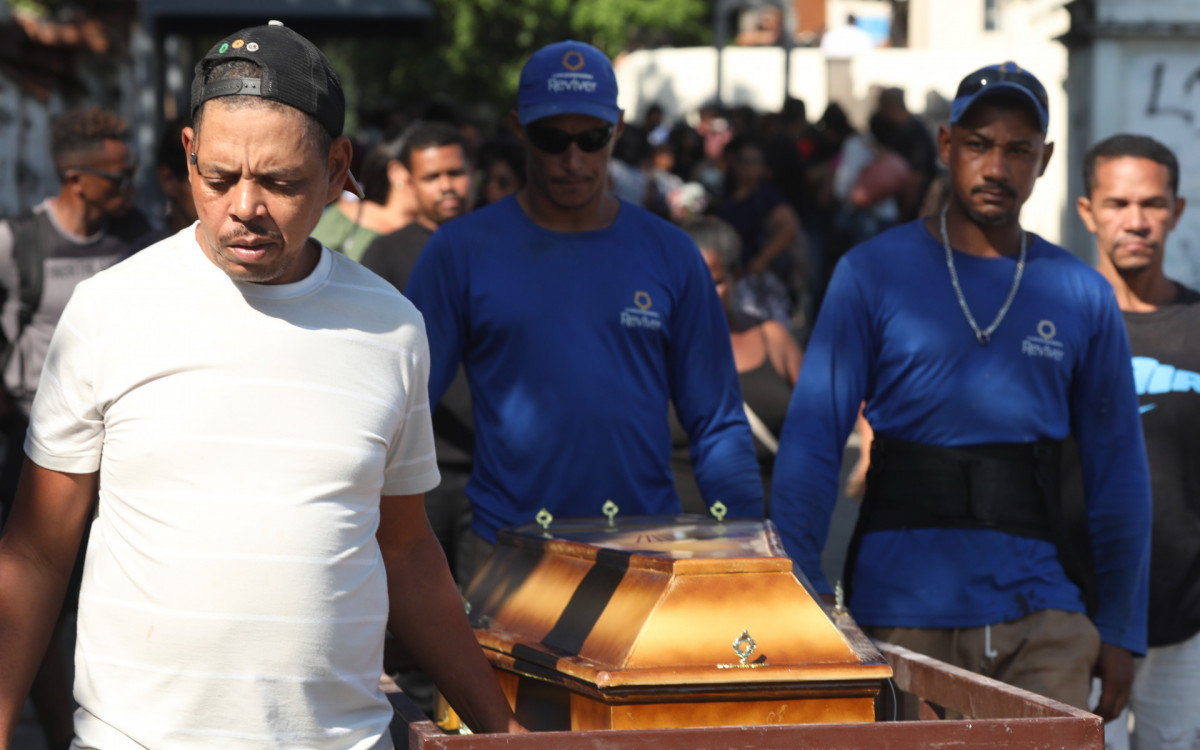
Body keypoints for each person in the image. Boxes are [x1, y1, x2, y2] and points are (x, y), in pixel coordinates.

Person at [0, 21, 520, 749]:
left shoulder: (391, 329)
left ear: (340, 168)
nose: (244, 206)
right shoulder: (108, 312)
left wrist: (503, 730)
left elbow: (403, 551)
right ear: (188, 155)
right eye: (218, 178)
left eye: (280, 182)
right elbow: (34, 551)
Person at [771, 62, 1151, 717]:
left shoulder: (1080, 294)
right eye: (978, 145)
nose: (997, 167)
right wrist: (795, 600)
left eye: (1018, 150)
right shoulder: (871, 273)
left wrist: (1120, 629)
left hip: (1045, 621)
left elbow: (1118, 470)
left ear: (1045, 159)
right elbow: (810, 444)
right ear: (946, 146)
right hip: (902, 621)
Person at [405, 40, 763, 572]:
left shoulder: (669, 252)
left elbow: (716, 420)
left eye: (592, 139)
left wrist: (746, 558)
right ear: (519, 128)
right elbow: (403, 410)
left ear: (617, 128)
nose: (573, 161)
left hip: (643, 552)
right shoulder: (460, 251)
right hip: (511, 553)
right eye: (552, 140)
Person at [0, 106, 151, 750]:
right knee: (41, 597)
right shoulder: (17, 243)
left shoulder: (138, 242)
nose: (129, 189)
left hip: (118, 449)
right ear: (74, 178)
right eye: (116, 179)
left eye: (133, 175)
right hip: (30, 447)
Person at [1076, 133, 1199, 749]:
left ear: (1177, 211)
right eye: (1118, 203)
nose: (1136, 221)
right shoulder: (1059, 328)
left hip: (1187, 623)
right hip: (1074, 620)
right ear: (1086, 210)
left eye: (1152, 204)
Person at [360, 120, 477, 716]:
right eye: (434, 176)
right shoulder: (387, 253)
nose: (449, 186)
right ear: (408, 178)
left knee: (485, 624)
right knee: (417, 628)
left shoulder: (493, 244)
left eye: (457, 171)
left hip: (488, 475)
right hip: (414, 475)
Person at [670, 217, 801, 514]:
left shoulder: (773, 338)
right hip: (675, 534)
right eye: (692, 280)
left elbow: (818, 419)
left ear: (735, 276)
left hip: (766, 527)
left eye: (715, 281)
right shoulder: (655, 347)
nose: (703, 292)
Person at [310, 131, 416, 262]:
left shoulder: (437, 234)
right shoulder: (345, 219)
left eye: (450, 174)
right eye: (432, 176)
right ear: (397, 172)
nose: (446, 185)